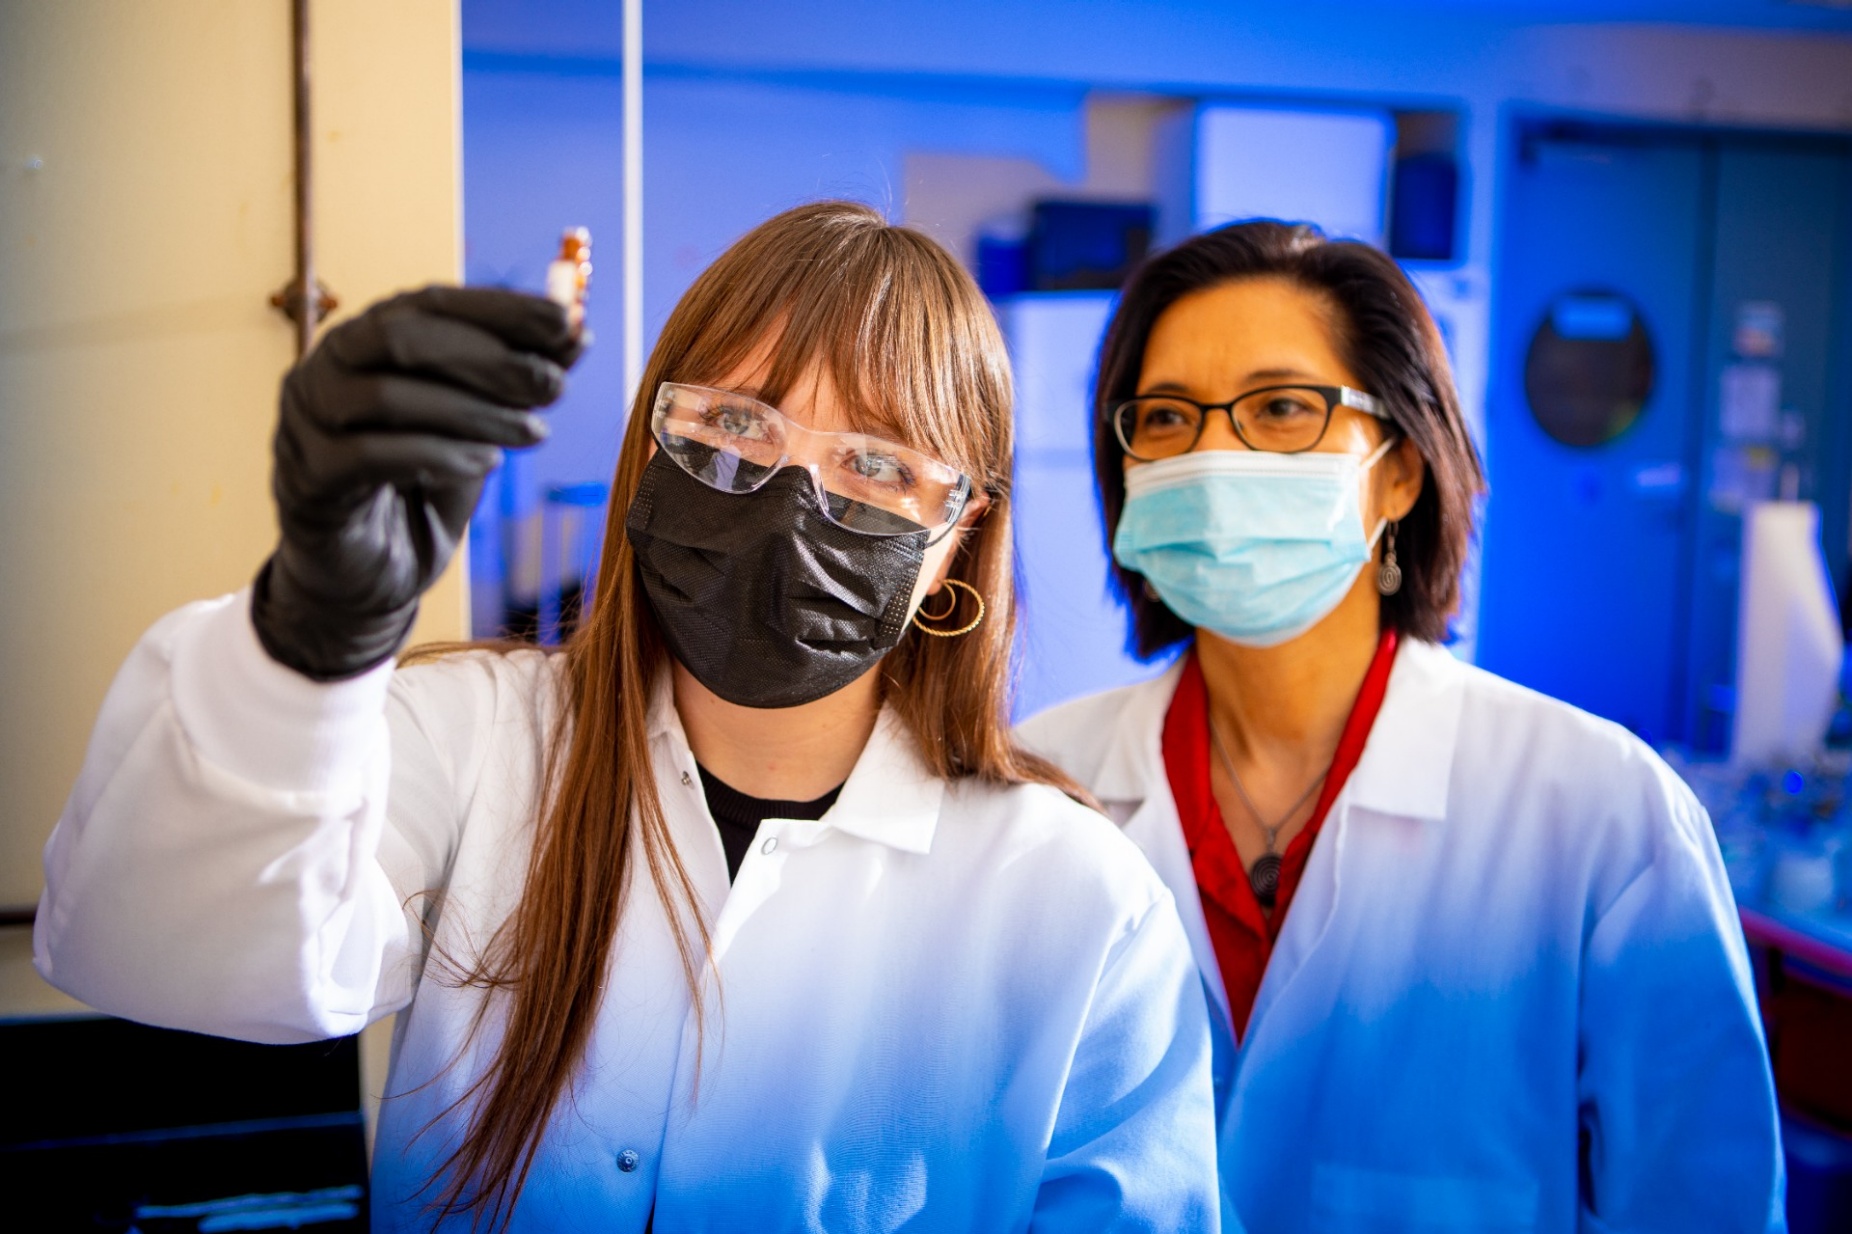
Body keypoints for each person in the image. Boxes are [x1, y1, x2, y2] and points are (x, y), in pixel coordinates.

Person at [35, 202, 1220, 1232]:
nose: (793, 496)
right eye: (739, 424)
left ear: (956, 543)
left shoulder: (1076, 900)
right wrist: (308, 631)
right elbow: (145, 950)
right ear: (651, 446)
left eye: (875, 463)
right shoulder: (475, 742)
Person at [1018, 220, 1784, 1233]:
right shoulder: (1037, 789)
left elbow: (1703, 1206)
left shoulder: (1600, 811)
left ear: (1399, 471)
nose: (1211, 455)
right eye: (1164, 418)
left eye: (1282, 408)